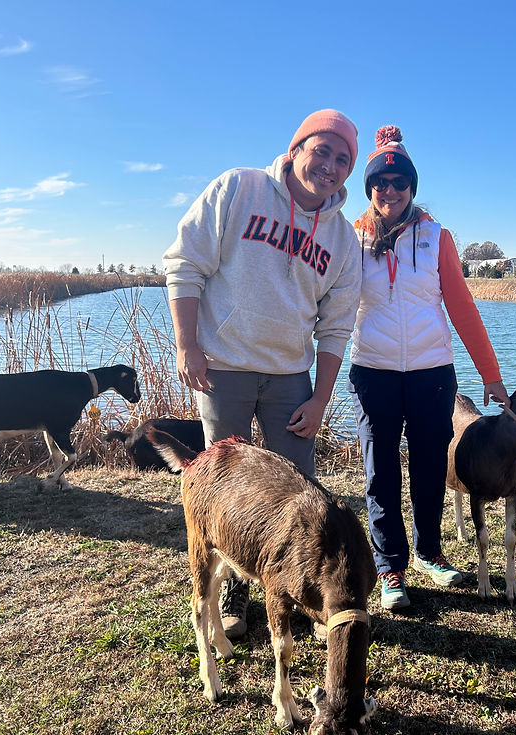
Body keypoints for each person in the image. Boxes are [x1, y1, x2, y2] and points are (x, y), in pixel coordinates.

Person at [163, 109, 362, 636]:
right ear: (296, 148)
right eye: (322, 150)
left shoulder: (343, 240)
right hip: (222, 368)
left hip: (290, 380)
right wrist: (188, 345)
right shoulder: (237, 189)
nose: (331, 166)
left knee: (301, 495)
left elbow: (337, 325)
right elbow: (185, 264)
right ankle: (234, 593)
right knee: (226, 490)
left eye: (343, 159)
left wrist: (319, 398)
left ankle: (305, 595)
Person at [349, 125, 510, 610]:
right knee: (380, 473)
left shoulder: (436, 237)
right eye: (380, 183)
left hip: (432, 374)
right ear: (370, 189)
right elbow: (328, 308)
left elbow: (461, 307)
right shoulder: (351, 238)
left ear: (412, 188)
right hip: (373, 373)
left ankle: (428, 552)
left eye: (399, 183)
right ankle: (389, 568)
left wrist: (492, 375)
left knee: (428, 469)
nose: (390, 191)